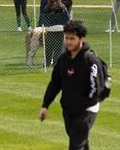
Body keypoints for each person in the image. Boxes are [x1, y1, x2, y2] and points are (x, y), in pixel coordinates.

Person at [39, 20, 103, 150]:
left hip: (87, 110)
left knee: (76, 144)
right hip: (69, 109)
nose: (68, 42)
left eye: (72, 38)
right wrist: (45, 105)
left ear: (81, 39)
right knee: (80, 141)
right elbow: (55, 84)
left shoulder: (90, 61)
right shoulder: (63, 60)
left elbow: (95, 88)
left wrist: (82, 104)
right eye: (67, 38)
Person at [40, 0, 72, 66]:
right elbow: (68, 18)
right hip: (60, 30)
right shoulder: (62, 7)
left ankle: (47, 63)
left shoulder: (47, 8)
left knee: (49, 48)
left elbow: (43, 18)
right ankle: (55, 63)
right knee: (58, 49)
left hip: (50, 30)